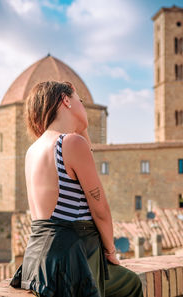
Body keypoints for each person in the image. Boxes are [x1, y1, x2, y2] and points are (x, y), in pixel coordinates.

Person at [9, 81, 144, 297]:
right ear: (65, 100)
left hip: (37, 261)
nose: (83, 106)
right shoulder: (70, 143)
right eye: (79, 100)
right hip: (71, 258)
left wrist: (82, 130)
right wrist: (109, 251)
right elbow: (100, 209)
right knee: (131, 284)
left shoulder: (33, 150)